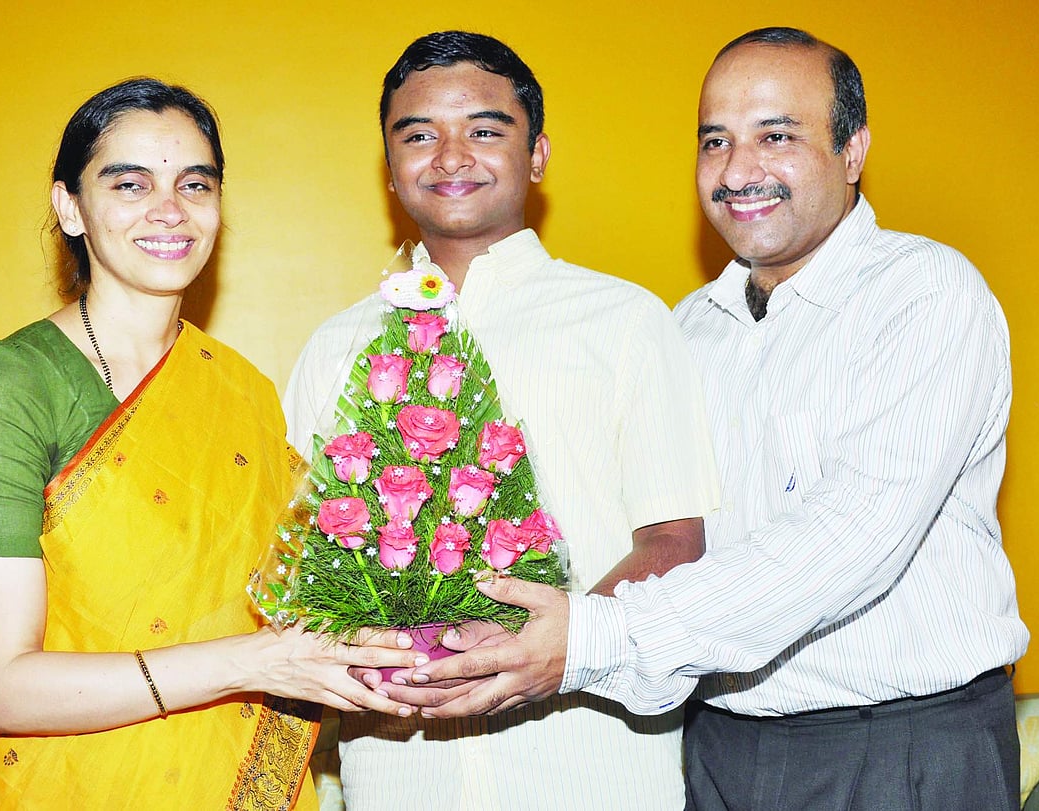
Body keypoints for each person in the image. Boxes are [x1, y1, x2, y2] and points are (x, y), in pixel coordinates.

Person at [405, 26, 1030, 811]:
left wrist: (591, 637)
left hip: (897, 748)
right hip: (717, 746)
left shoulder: (925, 294)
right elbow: (659, 535)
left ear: (853, 150)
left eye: (776, 136)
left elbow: (848, 537)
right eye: (715, 141)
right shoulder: (686, 327)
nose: (739, 171)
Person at [0, 78, 424, 810]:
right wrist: (256, 662)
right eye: (129, 183)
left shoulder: (244, 390)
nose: (169, 209)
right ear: (69, 205)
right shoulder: (13, 384)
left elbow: (291, 598)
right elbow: (2, 688)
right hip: (65, 786)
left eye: (194, 183)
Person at [284, 30, 719, 811]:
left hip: (594, 764)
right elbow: (303, 563)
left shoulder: (622, 320)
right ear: (389, 168)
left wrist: (555, 647)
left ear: (538, 156)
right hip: (397, 770)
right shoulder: (337, 346)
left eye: (485, 130)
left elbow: (674, 541)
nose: (451, 157)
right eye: (418, 136)